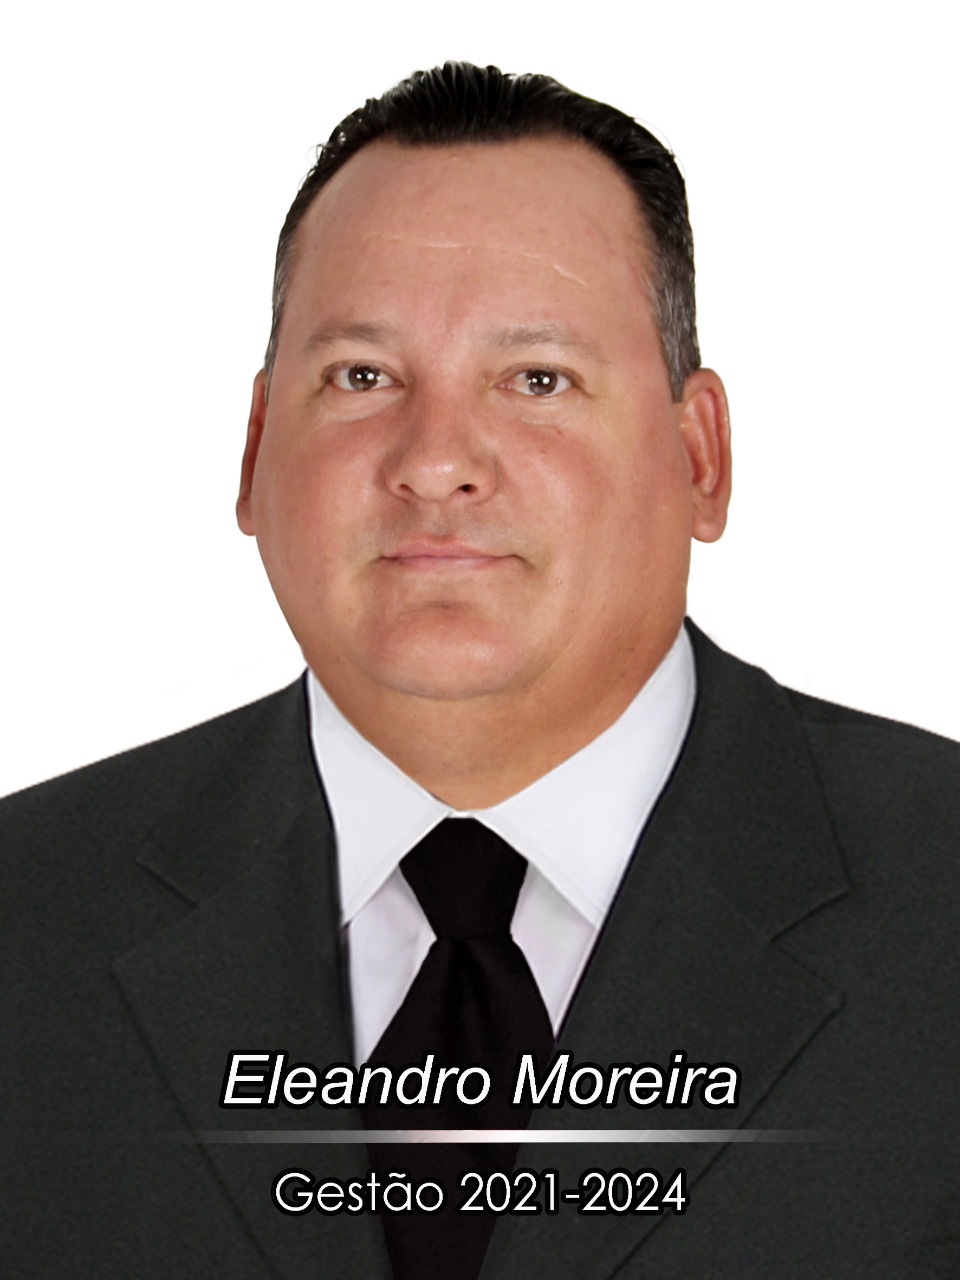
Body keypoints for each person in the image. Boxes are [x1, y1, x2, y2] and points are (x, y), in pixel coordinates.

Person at [4, 61, 959, 1279]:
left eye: (537, 380)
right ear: (253, 453)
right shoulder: (26, 920)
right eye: (362, 377)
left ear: (700, 456)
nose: (436, 459)